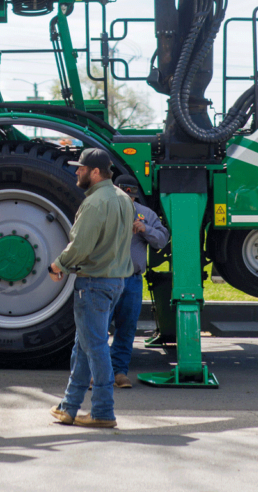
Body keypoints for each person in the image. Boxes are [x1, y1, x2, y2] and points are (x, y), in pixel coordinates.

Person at [49, 148, 134, 429]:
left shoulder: (95, 203)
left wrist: (59, 265)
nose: (77, 172)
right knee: (83, 346)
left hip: (94, 283)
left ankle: (102, 411)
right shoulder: (124, 199)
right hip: (115, 282)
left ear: (95, 172)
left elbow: (81, 245)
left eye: (81, 168)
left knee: (95, 347)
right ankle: (68, 408)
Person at [109, 186, 170, 388]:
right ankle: (97, 374)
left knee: (126, 329)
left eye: (132, 195)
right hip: (107, 278)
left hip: (132, 280)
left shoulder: (146, 214)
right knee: (98, 329)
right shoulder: (105, 209)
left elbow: (162, 240)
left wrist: (146, 229)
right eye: (125, 194)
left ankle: (119, 373)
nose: (129, 199)